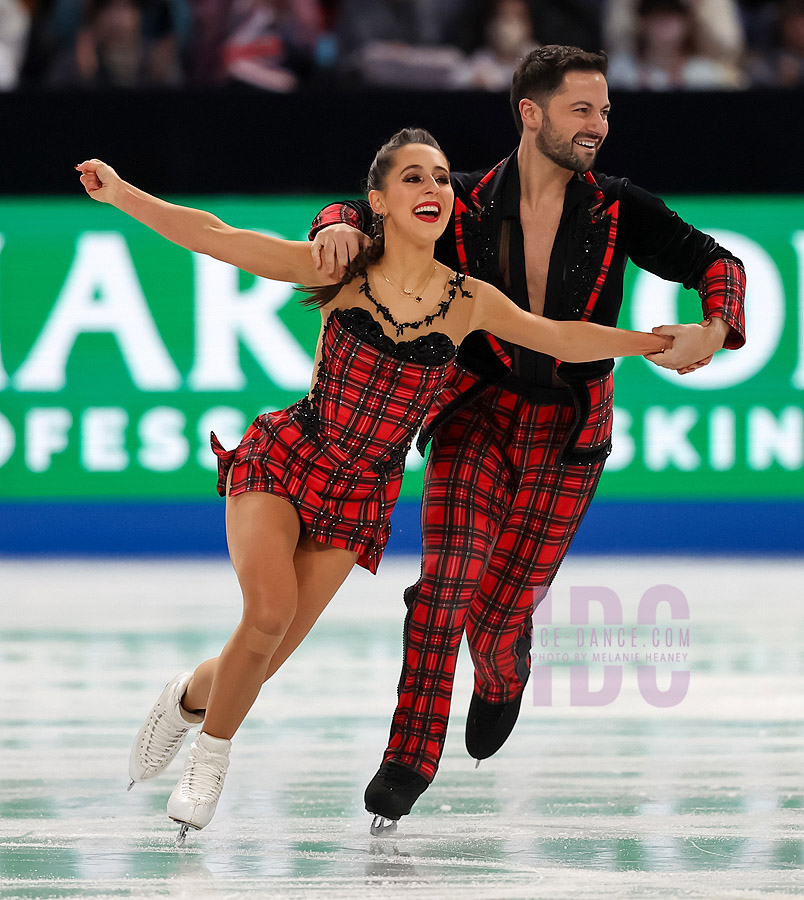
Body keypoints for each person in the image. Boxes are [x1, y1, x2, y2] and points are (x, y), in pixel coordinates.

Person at [75, 127, 671, 843]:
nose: (433, 190)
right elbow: (214, 237)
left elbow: (561, 337)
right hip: (292, 458)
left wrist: (656, 341)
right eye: (414, 178)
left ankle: (186, 700)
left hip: (361, 495)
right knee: (265, 616)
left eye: (443, 179)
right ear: (378, 201)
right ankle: (211, 756)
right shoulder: (341, 270)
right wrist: (121, 194)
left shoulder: (469, 300)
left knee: (262, 656)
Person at [309, 46, 746, 828]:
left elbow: (718, 262)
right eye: (583, 110)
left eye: (605, 110)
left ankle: (504, 673)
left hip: (572, 430)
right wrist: (335, 227)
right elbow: (361, 208)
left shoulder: (619, 207)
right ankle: (409, 756)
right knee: (444, 586)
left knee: (500, 610)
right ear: (532, 113)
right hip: (476, 413)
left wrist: (713, 328)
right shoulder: (464, 200)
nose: (598, 126)